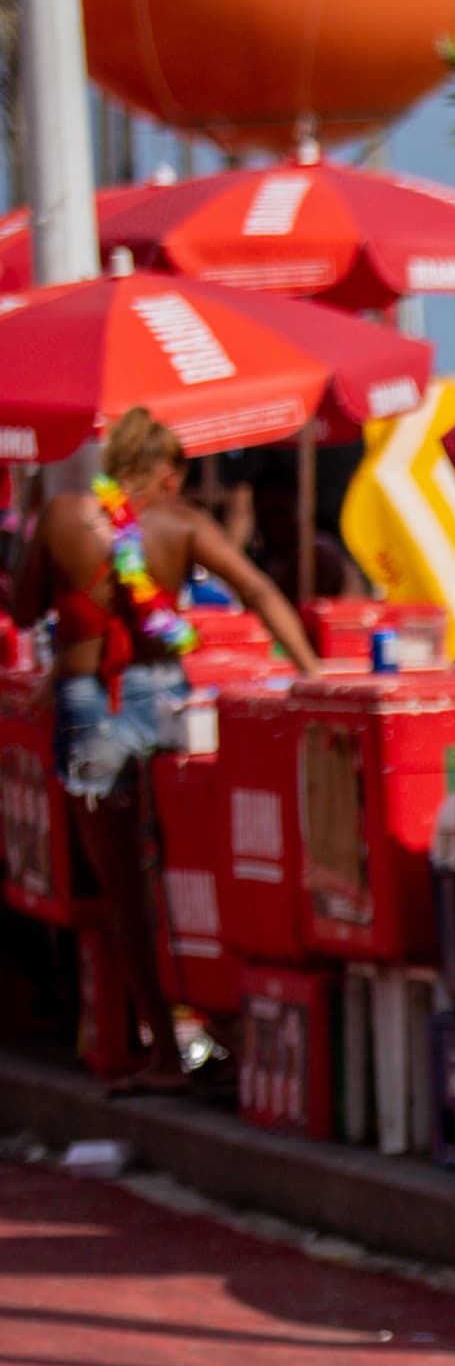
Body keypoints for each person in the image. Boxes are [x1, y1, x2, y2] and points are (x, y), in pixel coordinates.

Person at [11, 409, 318, 1088]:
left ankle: (165, 1053)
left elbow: (25, 609)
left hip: (94, 704)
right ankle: (220, 1025)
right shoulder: (181, 523)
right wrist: (314, 674)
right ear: (169, 473)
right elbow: (259, 590)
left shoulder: (65, 516)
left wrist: (36, 524)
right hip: (169, 703)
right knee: (190, 872)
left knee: (125, 891)